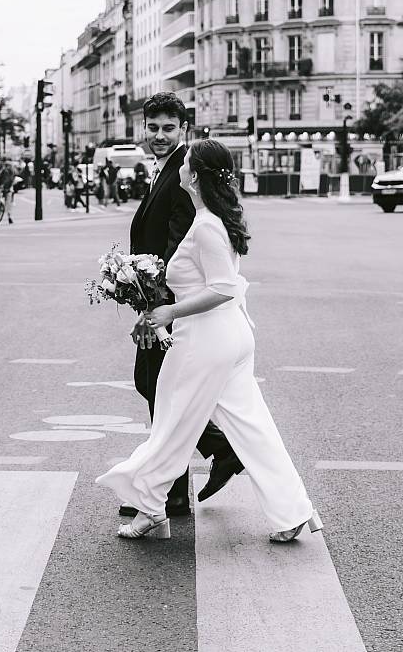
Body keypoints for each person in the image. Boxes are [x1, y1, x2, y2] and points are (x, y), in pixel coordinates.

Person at [98, 138, 319, 542]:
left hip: (206, 341)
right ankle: (293, 512)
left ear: (194, 176)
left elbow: (223, 288)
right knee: (253, 429)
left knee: (171, 425)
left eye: (186, 164)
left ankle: (150, 508)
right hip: (227, 338)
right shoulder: (212, 219)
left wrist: (168, 312)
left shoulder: (206, 227)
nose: (179, 166)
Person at [111, 92, 242, 522]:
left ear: (183, 129)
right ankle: (184, 477)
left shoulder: (183, 173)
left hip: (167, 304)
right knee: (156, 389)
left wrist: (155, 302)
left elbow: (177, 246)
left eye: (169, 128)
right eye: (153, 128)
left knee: (158, 390)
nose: (160, 136)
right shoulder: (163, 168)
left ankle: (180, 484)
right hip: (158, 300)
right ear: (143, 128)